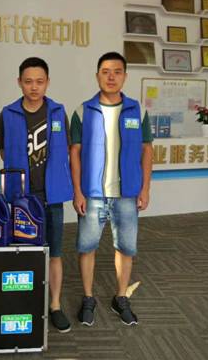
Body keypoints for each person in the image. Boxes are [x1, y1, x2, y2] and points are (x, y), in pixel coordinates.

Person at [70, 51, 153, 326]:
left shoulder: (137, 111)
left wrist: (145, 189)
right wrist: (77, 191)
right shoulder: (83, 111)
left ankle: (120, 298)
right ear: (97, 76)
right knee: (87, 248)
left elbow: (147, 150)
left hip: (127, 194)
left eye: (117, 72)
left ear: (125, 76)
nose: (111, 77)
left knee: (126, 248)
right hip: (92, 194)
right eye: (105, 71)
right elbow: (74, 153)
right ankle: (88, 298)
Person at [0, 57, 73, 333]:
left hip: (51, 197)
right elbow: (3, 151)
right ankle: (24, 302)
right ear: (19, 82)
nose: (34, 87)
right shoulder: (8, 113)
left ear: (47, 82)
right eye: (28, 82)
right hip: (21, 199)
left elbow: (66, 150)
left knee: (55, 253)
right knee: (22, 252)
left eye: (39, 81)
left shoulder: (58, 112)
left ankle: (55, 305)